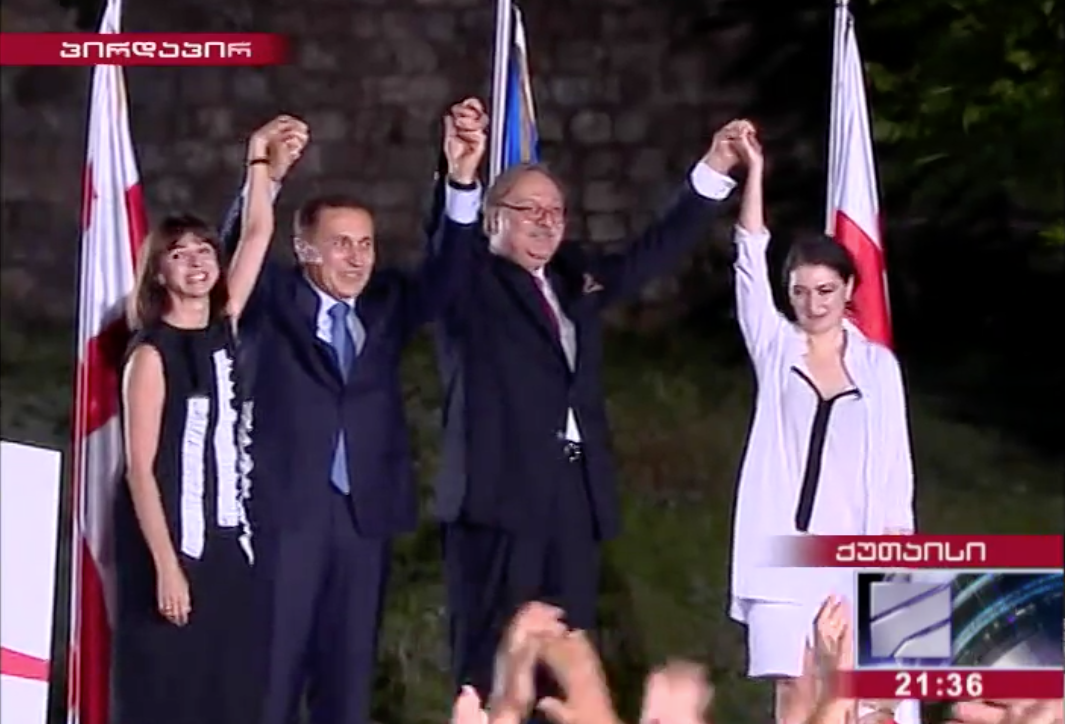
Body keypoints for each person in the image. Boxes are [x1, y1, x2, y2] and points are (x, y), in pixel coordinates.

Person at [432, 105, 747, 702]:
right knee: (494, 660)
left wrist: (713, 170)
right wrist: (461, 178)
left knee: (564, 663)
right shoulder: (468, 285)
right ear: (495, 218)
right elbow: (448, 248)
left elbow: (647, 256)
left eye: (555, 212)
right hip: (499, 503)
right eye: (530, 210)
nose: (546, 222)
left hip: (572, 498)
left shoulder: (572, 278)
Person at [216, 98, 487, 724]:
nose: (358, 258)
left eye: (365, 244)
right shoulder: (271, 301)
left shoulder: (387, 304)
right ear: (305, 250)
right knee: (272, 678)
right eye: (341, 245)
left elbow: (448, 276)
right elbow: (236, 252)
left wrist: (461, 180)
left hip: (364, 519)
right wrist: (264, 177)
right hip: (286, 516)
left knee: (347, 680)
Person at [112, 116, 305, 724]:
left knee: (232, 688)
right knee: (172, 689)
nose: (196, 261)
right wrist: (167, 567)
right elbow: (139, 471)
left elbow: (257, 234)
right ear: (159, 272)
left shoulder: (224, 326)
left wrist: (258, 162)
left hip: (228, 543)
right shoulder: (150, 355)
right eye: (179, 254)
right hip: (172, 543)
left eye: (203, 250)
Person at [725, 124, 916, 724]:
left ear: (850, 288)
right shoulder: (775, 348)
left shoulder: (878, 368)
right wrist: (755, 172)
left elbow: (895, 467)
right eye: (801, 291)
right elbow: (749, 255)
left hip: (856, 549)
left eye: (826, 290)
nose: (813, 303)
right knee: (797, 693)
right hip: (782, 552)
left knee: (863, 699)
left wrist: (898, 560)